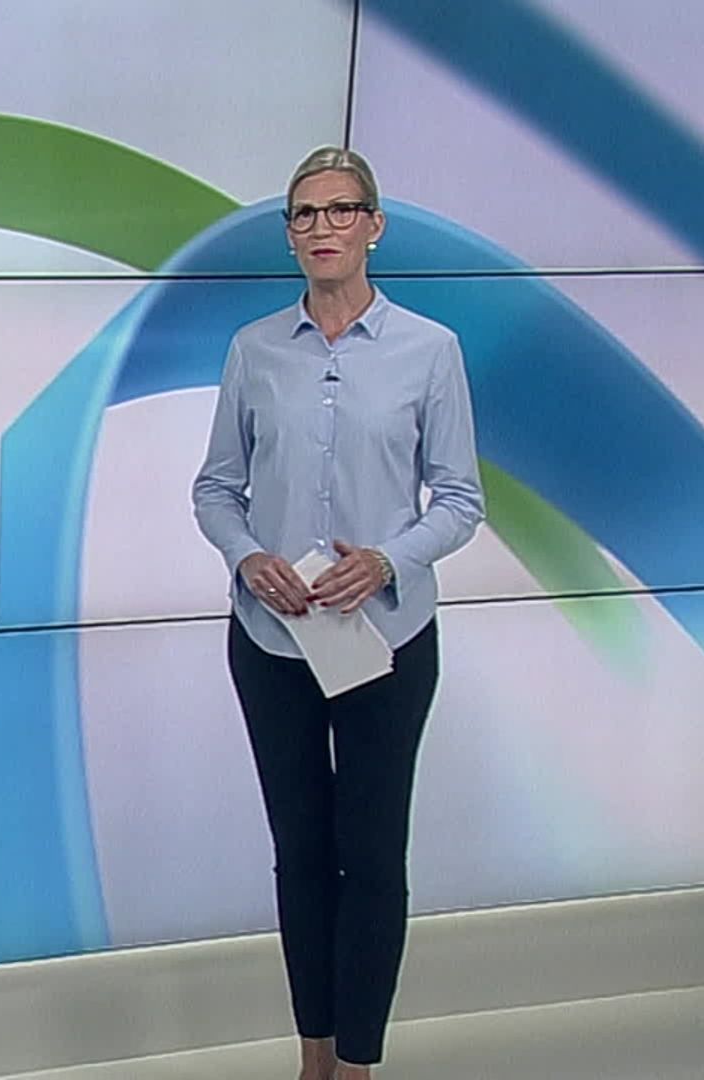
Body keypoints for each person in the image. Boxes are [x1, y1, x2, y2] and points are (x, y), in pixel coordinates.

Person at [191, 146, 485, 1079]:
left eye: (341, 210)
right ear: (290, 234)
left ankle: (358, 1063)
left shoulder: (429, 350)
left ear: (374, 225)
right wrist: (249, 559)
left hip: (385, 640)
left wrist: (388, 561)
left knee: (372, 855)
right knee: (302, 853)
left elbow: (460, 499)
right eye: (305, 214)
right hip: (272, 638)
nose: (324, 227)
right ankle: (313, 1055)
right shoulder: (255, 350)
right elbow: (216, 488)